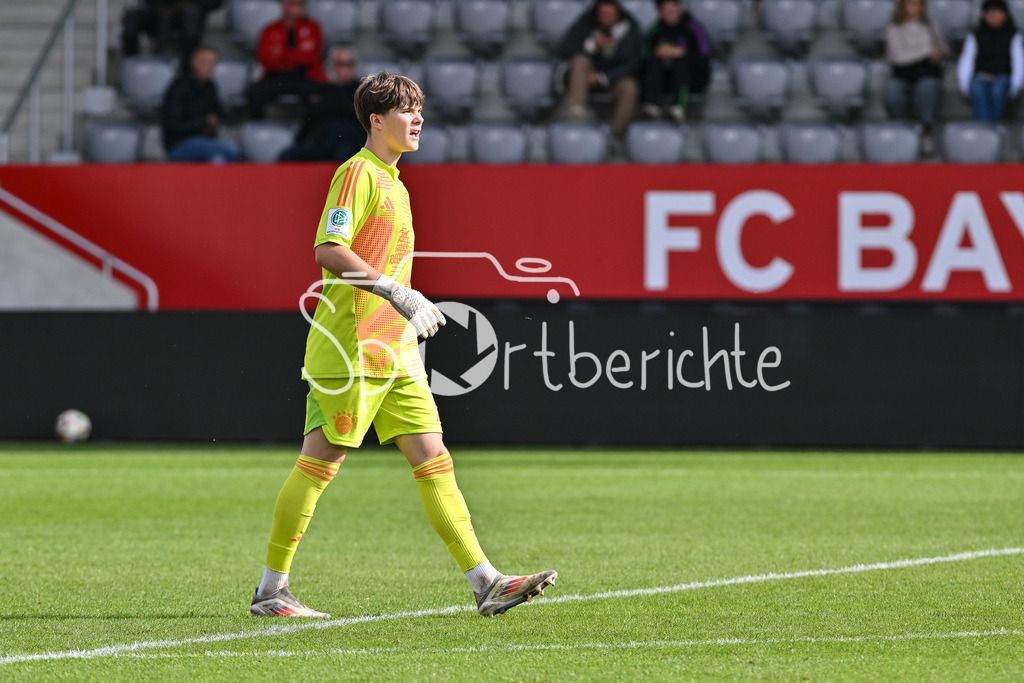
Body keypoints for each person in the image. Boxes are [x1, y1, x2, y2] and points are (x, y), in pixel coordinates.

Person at [249, 71, 558, 619]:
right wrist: (396, 291)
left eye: (420, 109)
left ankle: (486, 581)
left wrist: (403, 310)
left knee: (434, 458)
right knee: (321, 460)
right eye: (406, 110)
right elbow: (328, 248)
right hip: (350, 348)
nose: (417, 119)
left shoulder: (395, 182)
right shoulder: (358, 174)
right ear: (376, 120)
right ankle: (271, 591)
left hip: (396, 351)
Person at [557, 0, 643, 142]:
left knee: (630, 87)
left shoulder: (631, 30)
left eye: (610, 14)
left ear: (618, 14)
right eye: (603, 14)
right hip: (585, 79)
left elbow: (634, 64)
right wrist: (591, 45)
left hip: (613, 80)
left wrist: (604, 77)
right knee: (579, 60)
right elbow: (564, 49)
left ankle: (616, 135)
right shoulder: (585, 25)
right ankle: (576, 112)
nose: (606, 17)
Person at [278, 48, 363, 162]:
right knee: (288, 156)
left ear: (353, 67)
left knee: (344, 158)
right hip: (322, 142)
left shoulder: (362, 91)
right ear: (332, 66)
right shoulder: (323, 90)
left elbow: (358, 112)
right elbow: (310, 116)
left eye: (347, 64)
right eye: (339, 64)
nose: (344, 69)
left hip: (351, 143)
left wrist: (327, 106)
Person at [246, 0, 328, 120]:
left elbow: (312, 57)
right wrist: (299, 52)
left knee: (320, 95)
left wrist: (281, 54)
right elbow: (265, 59)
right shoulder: (270, 29)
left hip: (305, 76)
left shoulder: (313, 27)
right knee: (255, 92)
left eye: (300, 4)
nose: (297, 7)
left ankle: (308, 134)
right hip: (277, 76)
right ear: (283, 5)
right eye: (293, 4)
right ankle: (262, 132)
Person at [883, 0, 947, 152]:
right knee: (893, 92)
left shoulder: (932, 26)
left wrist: (936, 52)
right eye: (911, 4)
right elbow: (898, 57)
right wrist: (926, 51)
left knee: (928, 87)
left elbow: (942, 48)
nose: (916, 8)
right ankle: (901, 134)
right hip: (902, 74)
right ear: (902, 7)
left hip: (925, 73)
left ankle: (927, 132)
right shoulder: (893, 28)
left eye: (919, 5)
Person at [160, 46, 240, 162]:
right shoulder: (179, 87)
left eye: (212, 63)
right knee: (231, 150)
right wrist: (204, 122)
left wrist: (215, 119)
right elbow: (172, 124)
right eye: (204, 61)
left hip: (204, 142)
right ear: (193, 63)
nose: (208, 67)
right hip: (180, 144)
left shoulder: (210, 86)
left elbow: (219, 111)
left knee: (218, 159)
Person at [639, 0, 711, 122]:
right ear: (659, 12)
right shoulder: (654, 31)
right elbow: (642, 55)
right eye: (665, 10)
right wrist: (657, 53)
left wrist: (683, 53)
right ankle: (652, 105)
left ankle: (679, 107)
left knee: (680, 62)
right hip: (662, 79)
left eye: (672, 9)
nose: (669, 13)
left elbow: (705, 55)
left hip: (691, 78)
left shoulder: (693, 28)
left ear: (679, 9)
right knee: (655, 62)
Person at [956, 0, 1024, 122]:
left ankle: (990, 129)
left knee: (998, 90)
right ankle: (988, 129)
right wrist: (965, 85)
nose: (992, 16)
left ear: (1005, 15)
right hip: (981, 75)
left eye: (996, 12)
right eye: (989, 13)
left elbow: (1018, 62)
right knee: (977, 88)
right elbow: (967, 60)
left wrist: (1015, 86)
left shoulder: (1014, 35)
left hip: (1003, 76)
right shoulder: (975, 35)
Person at [121, 0, 223, 64]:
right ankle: (131, 65)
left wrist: (187, 3)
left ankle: (188, 69)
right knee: (131, 17)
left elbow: (215, 2)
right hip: (159, 12)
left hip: (186, 13)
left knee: (192, 18)